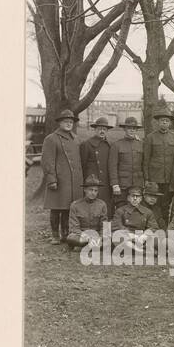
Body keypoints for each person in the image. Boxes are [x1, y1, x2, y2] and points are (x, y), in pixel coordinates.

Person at [41, 107, 83, 244]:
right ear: (59, 123)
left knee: (68, 208)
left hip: (73, 181)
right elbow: (47, 161)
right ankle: (54, 235)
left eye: (71, 121)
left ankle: (65, 234)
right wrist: (51, 179)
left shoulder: (76, 139)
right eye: (65, 121)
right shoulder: (51, 139)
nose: (68, 123)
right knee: (56, 208)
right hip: (59, 180)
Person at [142, 107, 174, 219]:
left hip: (169, 178)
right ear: (158, 122)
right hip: (154, 178)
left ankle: (164, 226)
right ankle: (152, 225)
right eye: (162, 120)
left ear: (170, 123)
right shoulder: (150, 137)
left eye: (167, 121)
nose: (164, 123)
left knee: (166, 204)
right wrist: (147, 178)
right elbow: (146, 159)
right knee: (153, 203)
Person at [112, 183, 160, 260]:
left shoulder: (147, 212)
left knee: (158, 237)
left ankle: (135, 250)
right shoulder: (120, 211)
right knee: (116, 235)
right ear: (128, 198)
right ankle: (140, 251)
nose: (135, 198)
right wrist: (131, 235)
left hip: (142, 239)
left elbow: (154, 227)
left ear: (141, 199)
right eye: (132, 196)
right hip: (127, 238)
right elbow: (116, 226)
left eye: (137, 196)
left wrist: (145, 235)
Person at [107, 115, 144, 212]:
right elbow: (112, 166)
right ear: (125, 129)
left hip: (137, 183)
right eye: (129, 128)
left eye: (134, 128)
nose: (132, 130)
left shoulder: (141, 144)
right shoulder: (117, 145)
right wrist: (115, 184)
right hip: (122, 184)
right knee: (121, 208)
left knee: (136, 209)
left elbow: (144, 165)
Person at [79, 115, 115, 213]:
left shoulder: (110, 145)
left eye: (104, 129)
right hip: (92, 181)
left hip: (106, 182)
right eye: (99, 129)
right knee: (92, 206)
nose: (102, 131)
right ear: (95, 130)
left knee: (106, 206)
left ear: (107, 130)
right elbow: (82, 165)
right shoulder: (86, 144)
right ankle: (90, 226)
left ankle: (106, 227)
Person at [65, 174, 108, 250]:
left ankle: (85, 247)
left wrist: (100, 237)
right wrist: (87, 237)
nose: (93, 193)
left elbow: (104, 226)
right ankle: (91, 246)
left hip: (96, 235)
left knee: (109, 238)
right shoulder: (75, 205)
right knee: (70, 238)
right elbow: (74, 228)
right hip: (81, 235)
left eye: (96, 190)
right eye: (90, 190)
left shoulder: (102, 204)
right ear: (85, 190)